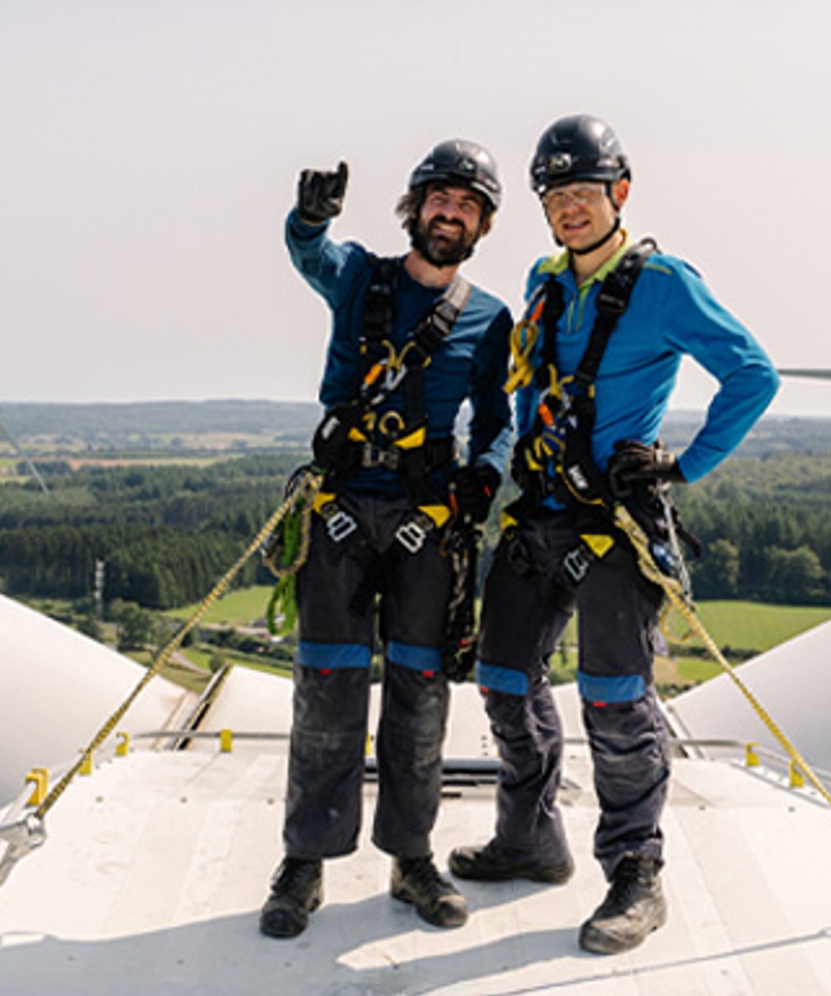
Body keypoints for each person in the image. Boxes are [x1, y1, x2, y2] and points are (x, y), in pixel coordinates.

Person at [449, 114, 776, 956]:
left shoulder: (664, 284)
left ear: (619, 193)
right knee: (501, 678)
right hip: (543, 514)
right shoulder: (545, 280)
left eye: (583, 193)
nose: (569, 208)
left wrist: (682, 466)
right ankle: (531, 838)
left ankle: (637, 872)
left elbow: (752, 372)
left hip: (616, 524)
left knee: (615, 702)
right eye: (555, 196)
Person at [260, 139, 516, 940]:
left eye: (468, 206)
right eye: (440, 201)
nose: (451, 215)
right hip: (339, 515)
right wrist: (308, 217)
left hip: (426, 526)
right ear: (416, 208)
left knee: (419, 697)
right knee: (327, 694)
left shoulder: (488, 318)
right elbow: (311, 253)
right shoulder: (361, 279)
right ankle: (305, 862)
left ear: (482, 225)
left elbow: (499, 421)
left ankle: (411, 859)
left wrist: (486, 474)